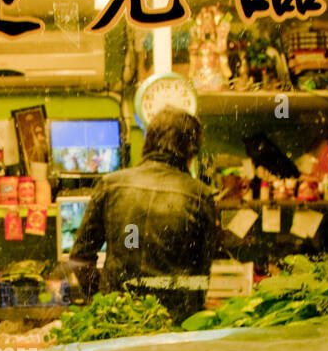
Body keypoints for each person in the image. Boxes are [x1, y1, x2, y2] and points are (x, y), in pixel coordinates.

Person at [68, 107, 218, 294]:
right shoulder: (200, 195)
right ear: (191, 151)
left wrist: (103, 301)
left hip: (117, 317)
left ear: (148, 142)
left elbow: (80, 258)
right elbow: (201, 273)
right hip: (174, 319)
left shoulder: (110, 185)